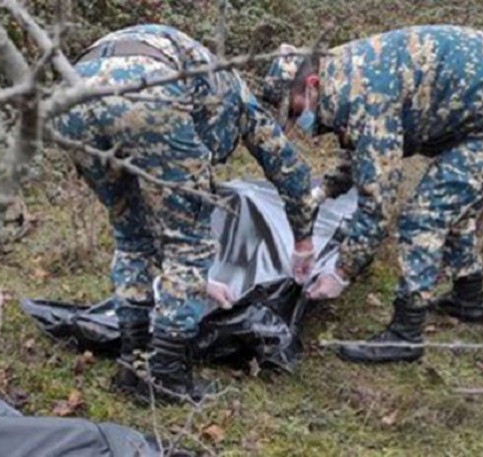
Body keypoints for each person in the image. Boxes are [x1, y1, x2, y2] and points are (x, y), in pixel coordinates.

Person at [55, 24, 317, 403]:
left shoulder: (210, 81)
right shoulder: (243, 103)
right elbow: (290, 171)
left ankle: (133, 363)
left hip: (73, 89)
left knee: (132, 236)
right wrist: (304, 240)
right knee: (190, 242)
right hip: (149, 89)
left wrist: (194, 279)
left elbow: (153, 214)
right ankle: (166, 376)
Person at [260, 25, 483, 364]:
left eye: (294, 111)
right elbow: (363, 153)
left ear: (311, 86)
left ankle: (406, 334)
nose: (295, 123)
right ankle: (468, 300)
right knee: (454, 206)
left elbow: (377, 202)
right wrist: (323, 191)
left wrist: (342, 271)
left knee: (424, 216)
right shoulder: (343, 75)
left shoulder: (364, 93)